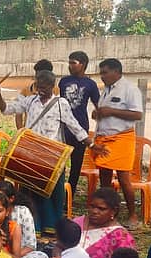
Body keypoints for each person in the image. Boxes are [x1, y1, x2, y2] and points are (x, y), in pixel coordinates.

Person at [0, 69, 104, 235]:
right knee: (30, 195)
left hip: (53, 157)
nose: (41, 90)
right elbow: (6, 109)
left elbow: (76, 128)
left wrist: (92, 145)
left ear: (53, 86)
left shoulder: (61, 104)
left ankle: (51, 229)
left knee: (53, 195)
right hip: (31, 155)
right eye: (38, 86)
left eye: (44, 87)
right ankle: (33, 228)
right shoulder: (30, 101)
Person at [94, 58, 143, 229]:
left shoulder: (129, 89)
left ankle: (132, 215)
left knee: (124, 179)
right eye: (101, 73)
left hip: (122, 138)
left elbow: (137, 115)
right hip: (104, 139)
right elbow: (105, 114)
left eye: (105, 72)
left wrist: (111, 111)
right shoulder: (106, 90)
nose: (102, 76)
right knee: (104, 179)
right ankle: (107, 214)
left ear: (116, 71)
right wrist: (99, 114)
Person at [73, 187, 137, 258]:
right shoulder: (77, 223)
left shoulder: (121, 237)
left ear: (113, 211)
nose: (94, 211)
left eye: (101, 209)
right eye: (92, 206)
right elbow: (60, 245)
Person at [59, 51, 101, 191]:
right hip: (62, 128)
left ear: (82, 64)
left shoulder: (90, 84)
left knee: (76, 165)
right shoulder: (63, 82)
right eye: (69, 62)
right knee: (60, 164)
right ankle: (58, 192)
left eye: (73, 63)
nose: (69, 66)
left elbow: (98, 106)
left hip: (81, 129)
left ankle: (69, 195)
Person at [15, 59, 53, 129]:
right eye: (37, 75)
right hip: (30, 135)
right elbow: (18, 114)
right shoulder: (25, 91)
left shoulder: (57, 92)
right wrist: (20, 132)